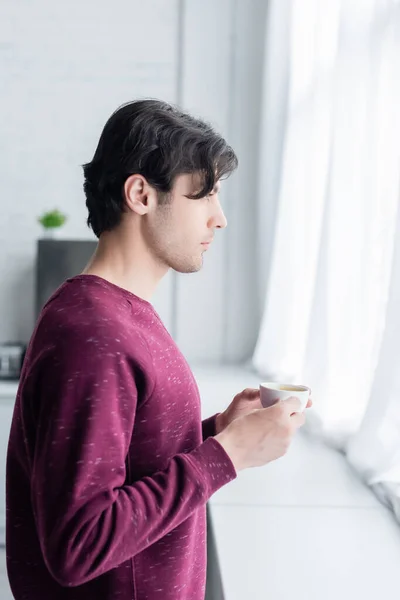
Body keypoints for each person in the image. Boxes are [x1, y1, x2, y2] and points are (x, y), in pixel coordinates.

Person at [6, 99, 311, 600]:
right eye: (205, 195)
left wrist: (219, 432)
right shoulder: (95, 335)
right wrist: (227, 455)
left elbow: (135, 458)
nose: (220, 219)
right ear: (141, 194)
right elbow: (79, 543)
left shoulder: (119, 314)